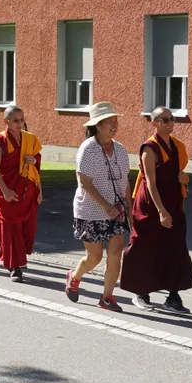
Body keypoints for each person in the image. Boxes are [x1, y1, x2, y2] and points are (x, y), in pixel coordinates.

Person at [120, 107, 192, 312]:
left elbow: (178, 173)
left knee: (175, 247)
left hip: (174, 202)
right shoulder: (149, 148)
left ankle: (173, 296)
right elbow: (151, 183)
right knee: (145, 247)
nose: (169, 123)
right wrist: (162, 211)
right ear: (154, 123)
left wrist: (184, 179)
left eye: (172, 119)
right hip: (150, 206)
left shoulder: (177, 146)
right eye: (164, 120)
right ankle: (141, 293)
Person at [64, 102, 131, 312]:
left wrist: (128, 206)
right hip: (91, 210)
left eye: (115, 120)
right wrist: (105, 206)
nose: (114, 124)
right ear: (98, 125)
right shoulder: (88, 149)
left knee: (116, 252)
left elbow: (126, 180)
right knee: (94, 257)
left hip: (116, 211)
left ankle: (106, 297)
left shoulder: (120, 149)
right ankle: (74, 277)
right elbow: (84, 182)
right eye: (109, 121)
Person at [0, 105, 42, 283]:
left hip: (28, 191)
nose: (20, 124)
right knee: (11, 230)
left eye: (22, 120)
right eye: (15, 120)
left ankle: (17, 256)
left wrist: (34, 160)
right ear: (6, 121)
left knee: (30, 227)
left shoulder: (29, 139)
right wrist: (5, 191)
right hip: (8, 192)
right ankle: (14, 267)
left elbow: (37, 162)